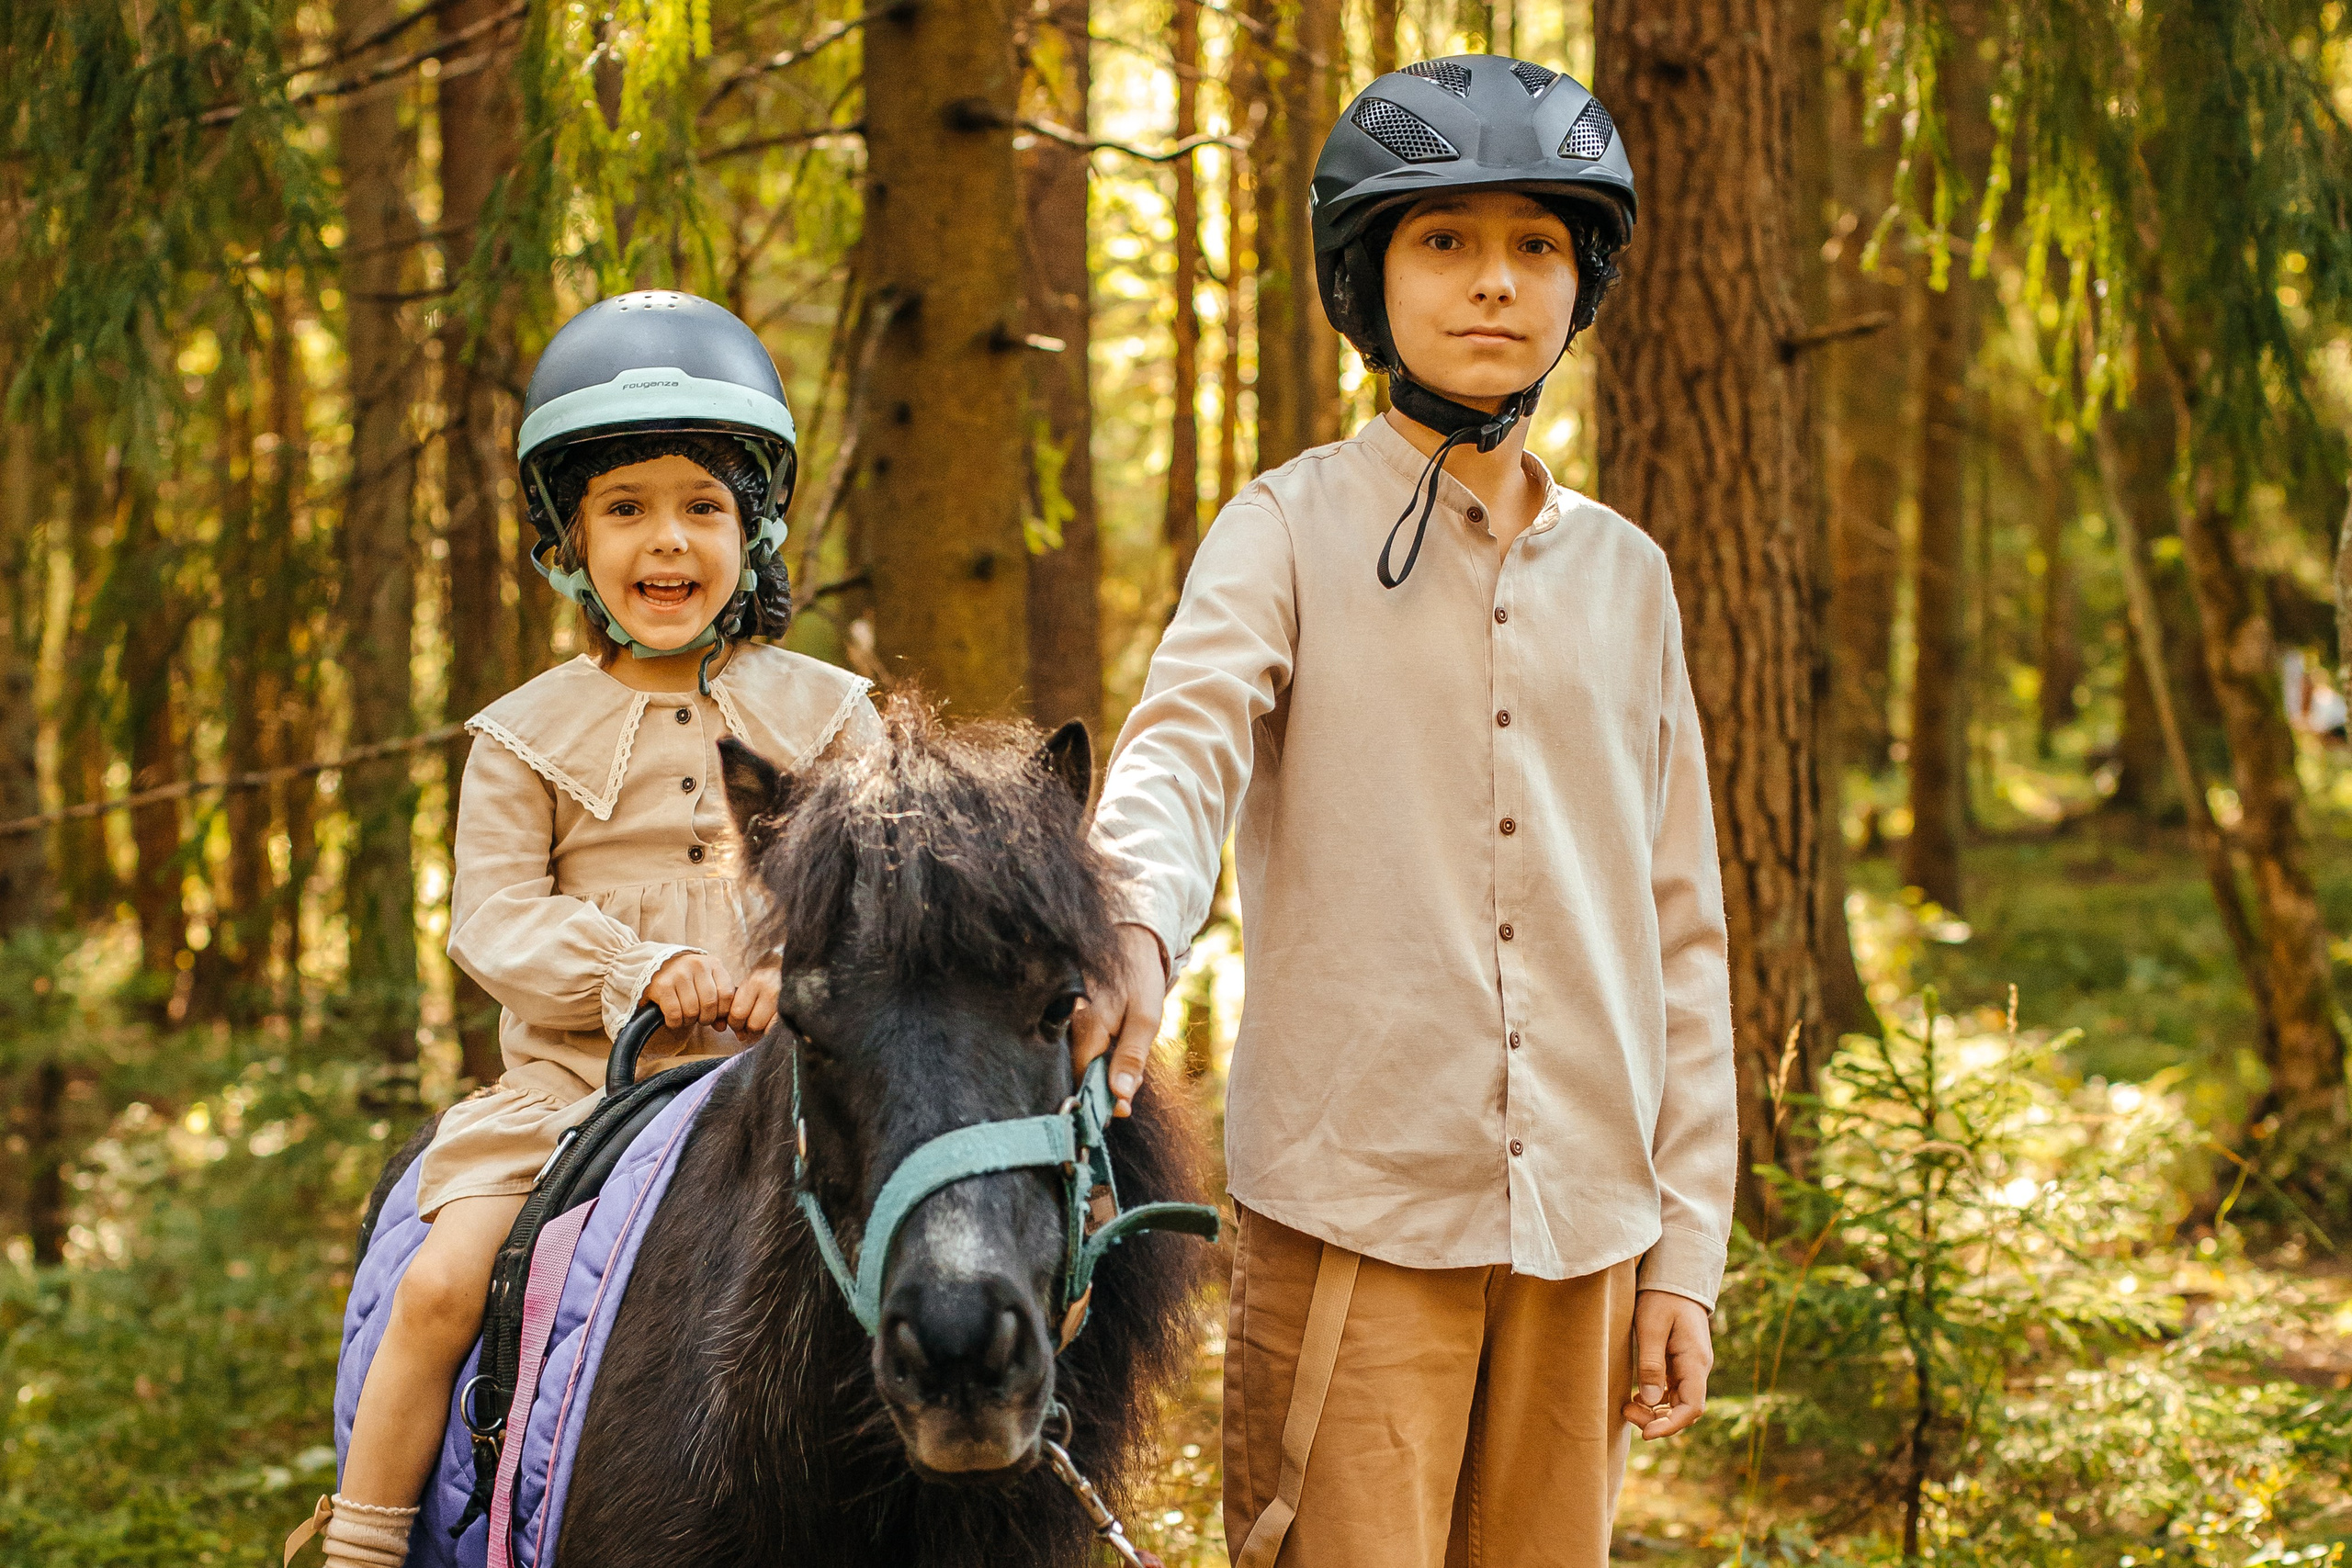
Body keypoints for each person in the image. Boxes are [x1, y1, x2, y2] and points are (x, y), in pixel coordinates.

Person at [1072, 56, 1737, 1567]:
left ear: (1581, 281)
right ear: (1368, 276)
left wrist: (1685, 1252)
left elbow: (1684, 929)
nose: (1494, 283)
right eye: (1444, 241)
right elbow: (1182, 748)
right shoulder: (1285, 529)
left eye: (1534, 246)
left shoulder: (1631, 577)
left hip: (1593, 1233)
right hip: (1360, 1214)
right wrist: (1127, 919)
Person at [300, 291, 878, 1568]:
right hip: (575, 1084)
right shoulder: (521, 734)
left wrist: (791, 970)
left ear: (756, 528)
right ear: (569, 539)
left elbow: (875, 891)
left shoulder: (833, 715)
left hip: (784, 1083)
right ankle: (367, 1539)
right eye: (626, 508)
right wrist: (636, 970)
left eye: (702, 507)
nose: (666, 542)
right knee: (446, 1281)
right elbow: (494, 915)